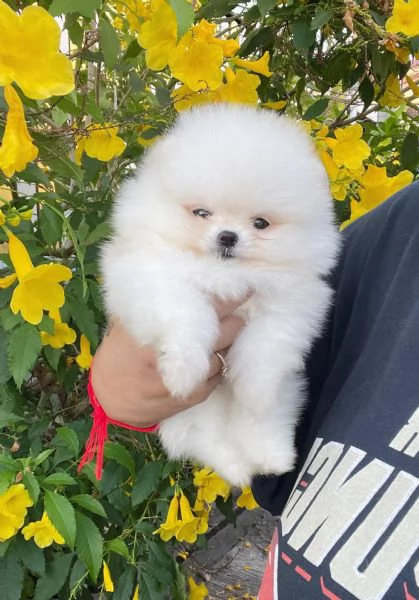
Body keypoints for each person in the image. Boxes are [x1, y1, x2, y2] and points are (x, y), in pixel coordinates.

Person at [90, 182, 419, 599]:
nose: (229, 232)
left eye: (259, 223)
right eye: (203, 213)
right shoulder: (399, 233)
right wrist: (122, 384)